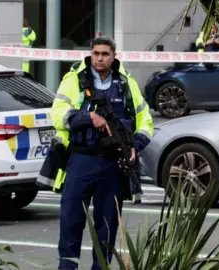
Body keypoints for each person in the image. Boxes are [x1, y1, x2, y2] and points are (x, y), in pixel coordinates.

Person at [50, 36, 153, 270]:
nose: (99, 58)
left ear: (114, 56)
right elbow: (57, 115)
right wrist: (88, 117)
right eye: (96, 53)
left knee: (106, 229)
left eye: (105, 54)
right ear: (90, 54)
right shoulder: (75, 80)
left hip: (112, 165)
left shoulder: (126, 83)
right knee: (71, 224)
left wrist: (135, 145)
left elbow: (146, 121)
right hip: (81, 161)